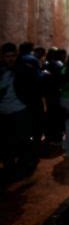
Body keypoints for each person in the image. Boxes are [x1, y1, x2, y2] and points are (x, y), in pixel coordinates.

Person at [0, 42, 39, 181]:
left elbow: (34, 92)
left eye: (12, 56)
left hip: (20, 112)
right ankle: (10, 169)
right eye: (7, 56)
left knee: (22, 143)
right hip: (4, 114)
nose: (10, 59)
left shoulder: (24, 70)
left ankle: (22, 169)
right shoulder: (2, 71)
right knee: (6, 144)